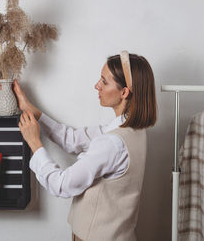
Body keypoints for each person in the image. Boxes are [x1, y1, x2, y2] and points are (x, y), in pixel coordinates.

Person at [13, 51, 157, 241]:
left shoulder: (111, 144)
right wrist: (34, 112)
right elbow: (71, 139)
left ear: (124, 92)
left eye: (104, 82)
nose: (96, 85)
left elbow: (62, 185)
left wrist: (34, 142)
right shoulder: (132, 130)